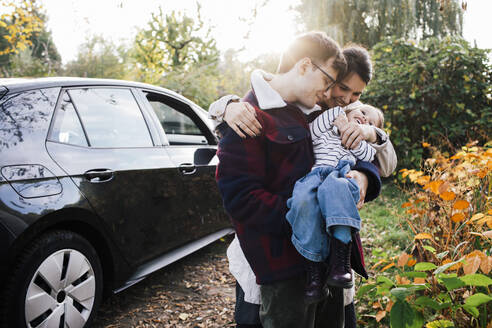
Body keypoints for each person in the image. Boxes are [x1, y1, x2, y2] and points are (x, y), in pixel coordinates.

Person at [210, 45, 395, 328]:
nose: (339, 95)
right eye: (335, 85)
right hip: (279, 262)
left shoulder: (329, 108)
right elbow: (241, 197)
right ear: (307, 67)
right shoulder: (249, 114)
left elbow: (366, 157)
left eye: (353, 93)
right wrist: (225, 106)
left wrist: (365, 177)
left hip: (332, 260)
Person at [285, 103, 385, 304]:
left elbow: (369, 155)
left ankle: (341, 262)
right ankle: (315, 275)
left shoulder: (359, 141)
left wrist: (363, 133)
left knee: (337, 189)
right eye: (363, 112)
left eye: (371, 121)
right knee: (302, 201)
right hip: (315, 172)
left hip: (340, 172)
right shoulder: (328, 124)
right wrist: (339, 117)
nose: (365, 119)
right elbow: (312, 131)